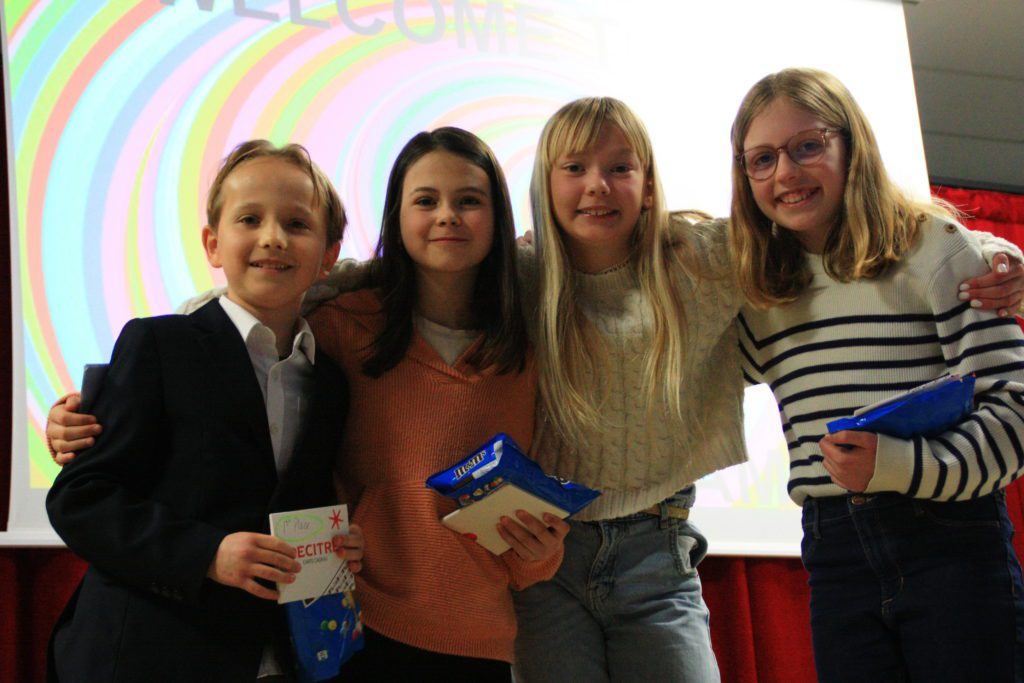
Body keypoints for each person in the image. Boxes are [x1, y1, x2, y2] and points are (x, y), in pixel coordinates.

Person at [730, 67, 1024, 682]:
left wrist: (896, 466)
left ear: (851, 145)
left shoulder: (940, 252)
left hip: (950, 542)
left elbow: (1013, 419)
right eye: (761, 159)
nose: (785, 173)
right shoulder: (758, 292)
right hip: (834, 551)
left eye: (807, 146)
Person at [45, 140, 364, 682]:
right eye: (249, 218)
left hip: (273, 660)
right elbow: (81, 499)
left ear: (329, 254)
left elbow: (297, 504)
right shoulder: (158, 345)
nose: (273, 237)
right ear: (213, 244)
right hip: (145, 656)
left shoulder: (330, 381)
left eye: (297, 223)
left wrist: (336, 546)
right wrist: (206, 554)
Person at [305, 127, 566, 681]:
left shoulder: (529, 349)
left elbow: (533, 532)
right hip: (356, 627)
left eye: (469, 200)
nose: (448, 215)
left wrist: (540, 551)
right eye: (425, 200)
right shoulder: (341, 327)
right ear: (396, 217)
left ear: (497, 219)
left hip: (479, 642)